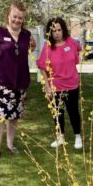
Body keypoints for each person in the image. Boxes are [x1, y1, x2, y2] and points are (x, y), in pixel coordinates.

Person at [0, 1, 35, 160]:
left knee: (15, 116)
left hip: (21, 82)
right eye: (14, 17)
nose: (17, 20)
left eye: (20, 18)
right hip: (2, 81)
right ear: (8, 16)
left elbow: (31, 46)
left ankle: (10, 144)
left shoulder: (27, 35)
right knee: (1, 115)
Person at [36, 17, 83, 149]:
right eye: (54, 30)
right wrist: (46, 84)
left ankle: (77, 136)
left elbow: (79, 51)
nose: (57, 33)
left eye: (59, 30)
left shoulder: (71, 42)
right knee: (58, 113)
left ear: (63, 30)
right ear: (49, 32)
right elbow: (42, 66)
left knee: (73, 112)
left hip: (72, 85)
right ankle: (60, 137)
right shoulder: (48, 47)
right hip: (55, 86)